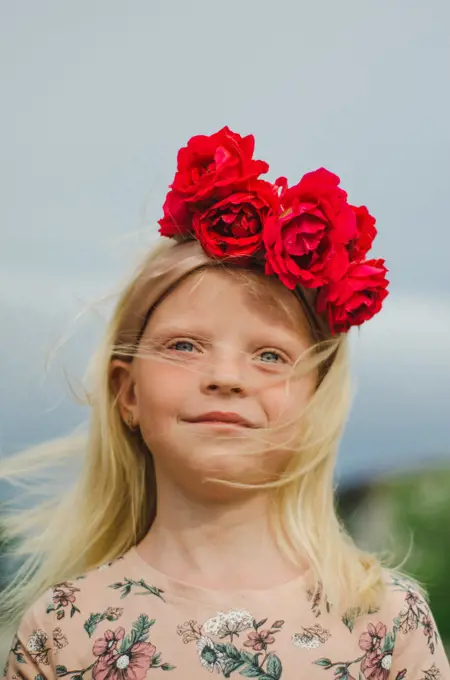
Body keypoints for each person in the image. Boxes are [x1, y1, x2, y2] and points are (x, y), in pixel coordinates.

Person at [1, 126, 448, 679]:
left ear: (315, 399)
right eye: (184, 346)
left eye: (270, 356)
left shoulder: (385, 623)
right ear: (127, 391)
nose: (227, 377)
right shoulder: (64, 627)